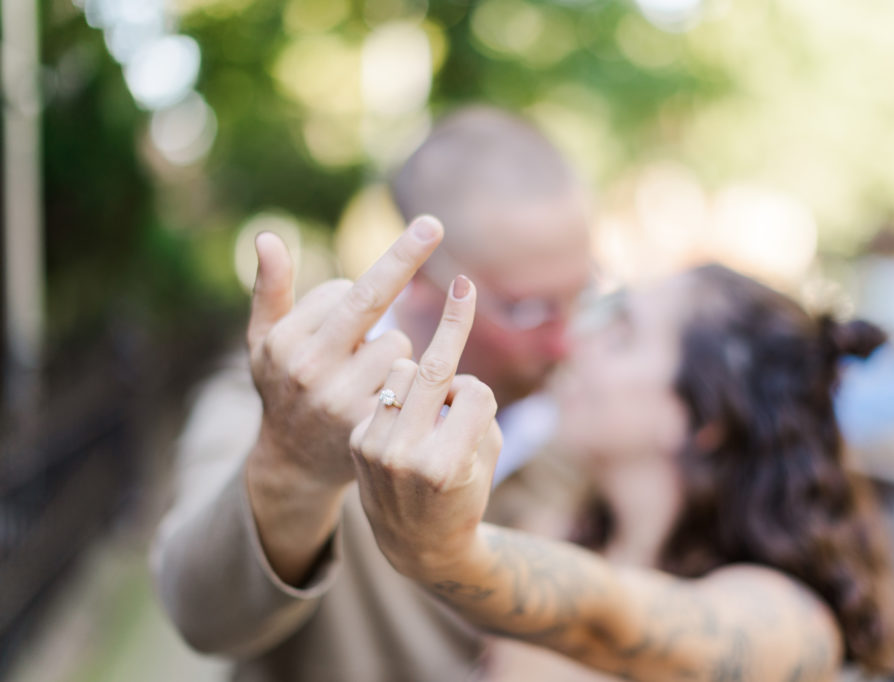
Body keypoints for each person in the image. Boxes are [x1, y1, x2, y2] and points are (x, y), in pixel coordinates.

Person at [151, 108, 591, 680]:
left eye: (582, 296)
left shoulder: (600, 418)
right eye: (528, 309)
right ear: (424, 281)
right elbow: (202, 615)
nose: (566, 343)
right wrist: (291, 468)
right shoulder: (283, 403)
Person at [350, 264, 894, 681]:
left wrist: (448, 552)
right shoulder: (553, 526)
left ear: (701, 419)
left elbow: (604, 620)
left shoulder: (788, 622)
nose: (574, 341)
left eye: (622, 335)